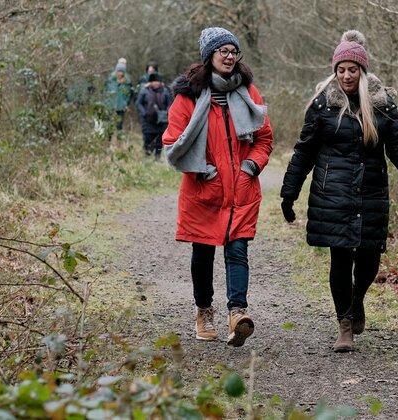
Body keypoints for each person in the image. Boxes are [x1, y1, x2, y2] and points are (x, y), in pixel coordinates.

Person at [280, 30, 398, 353]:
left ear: (362, 71)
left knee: (369, 259)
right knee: (341, 259)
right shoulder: (323, 105)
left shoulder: (382, 104)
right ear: (335, 70)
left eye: (351, 70)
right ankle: (345, 325)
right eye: (340, 69)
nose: (345, 75)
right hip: (334, 195)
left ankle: (357, 299)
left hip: (371, 193)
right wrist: (290, 193)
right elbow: (304, 152)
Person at [162, 27, 273, 347]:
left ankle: (237, 313)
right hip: (203, 190)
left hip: (241, 189)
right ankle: (204, 311)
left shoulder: (248, 92)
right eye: (222, 51)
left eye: (232, 51)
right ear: (209, 56)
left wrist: (251, 166)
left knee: (238, 250)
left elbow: (264, 138)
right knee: (203, 252)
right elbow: (173, 143)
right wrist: (199, 170)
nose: (228, 56)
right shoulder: (188, 96)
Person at [136, 72, 173, 158]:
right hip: (148, 120)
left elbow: (170, 104)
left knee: (160, 140)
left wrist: (166, 112)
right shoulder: (144, 91)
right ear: (150, 82)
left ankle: (157, 156)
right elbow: (138, 103)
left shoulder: (165, 91)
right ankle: (147, 154)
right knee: (148, 139)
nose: (156, 83)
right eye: (154, 81)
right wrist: (144, 113)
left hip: (162, 121)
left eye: (157, 81)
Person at [105, 58, 135, 131]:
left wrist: (126, 103)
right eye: (119, 71)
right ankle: (108, 141)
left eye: (122, 72)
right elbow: (105, 91)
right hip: (111, 106)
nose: (120, 73)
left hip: (121, 107)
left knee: (119, 125)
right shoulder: (110, 80)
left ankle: (119, 141)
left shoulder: (127, 82)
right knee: (109, 125)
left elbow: (130, 94)